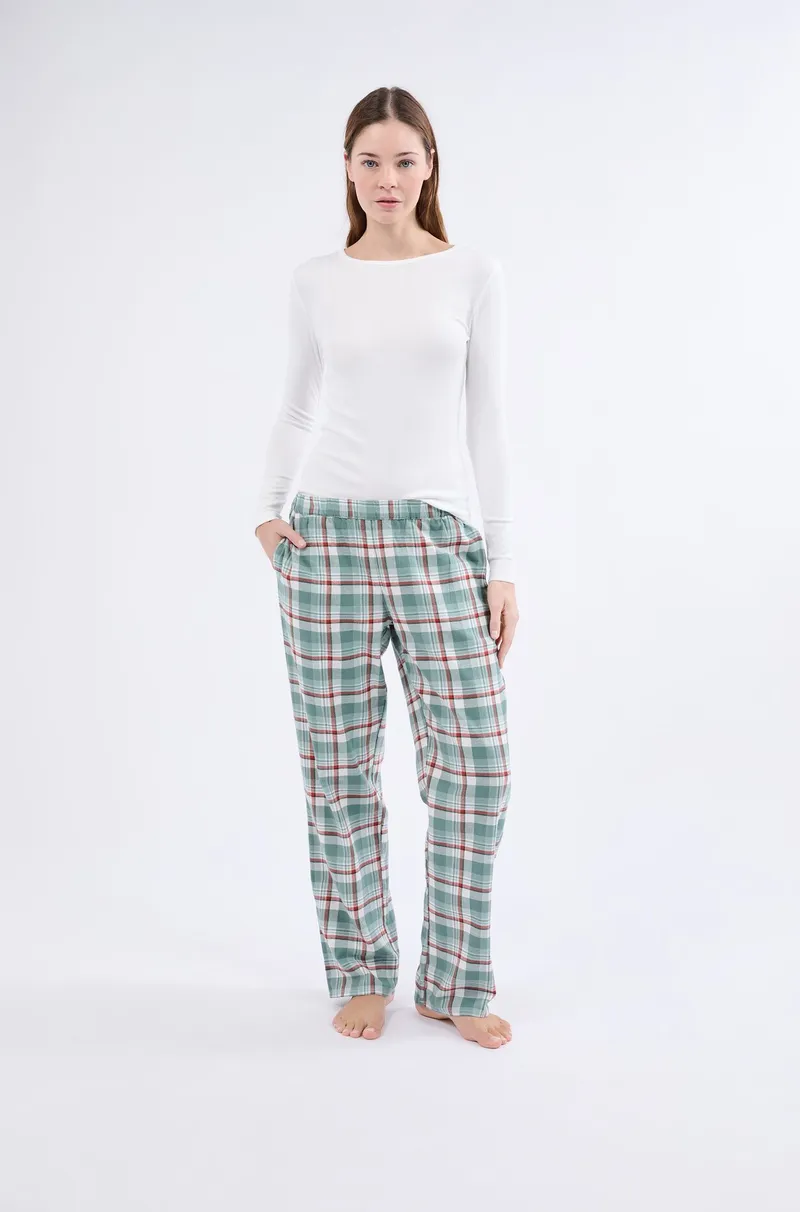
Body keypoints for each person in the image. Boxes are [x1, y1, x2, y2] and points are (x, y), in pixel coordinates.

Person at [254, 86, 519, 1049]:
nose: (387, 179)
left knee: (476, 765)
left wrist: (502, 560)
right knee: (339, 769)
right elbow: (297, 404)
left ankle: (453, 979)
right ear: (347, 168)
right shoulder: (317, 279)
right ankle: (361, 968)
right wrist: (268, 512)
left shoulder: (472, 272)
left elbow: (489, 420)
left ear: (430, 165)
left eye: (405, 161)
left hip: (438, 538)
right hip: (325, 538)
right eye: (370, 161)